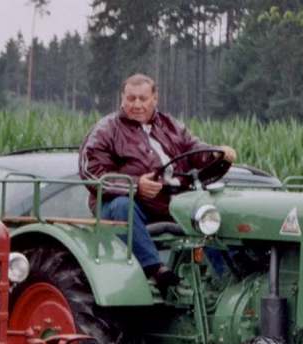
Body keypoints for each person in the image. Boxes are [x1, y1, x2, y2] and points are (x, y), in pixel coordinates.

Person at [79, 73, 236, 290]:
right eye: (131, 98)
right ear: (122, 99)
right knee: (123, 205)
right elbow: (92, 173)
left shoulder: (171, 125)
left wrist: (216, 154)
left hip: (171, 203)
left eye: (143, 99)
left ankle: (230, 278)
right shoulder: (106, 130)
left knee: (208, 211)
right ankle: (155, 269)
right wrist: (136, 186)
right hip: (125, 204)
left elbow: (194, 149)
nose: (137, 105)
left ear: (155, 99)